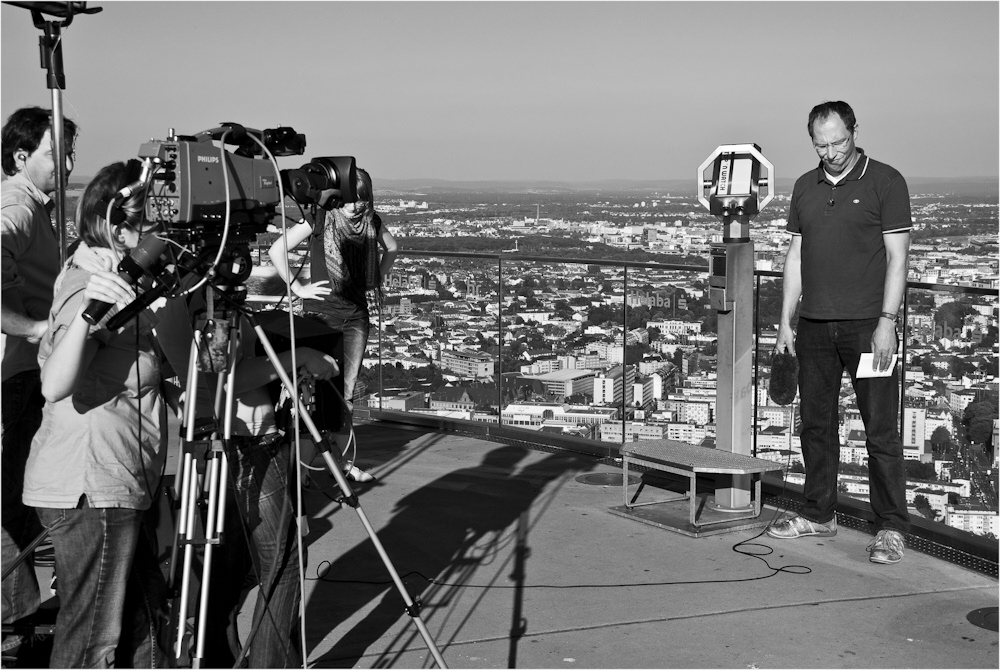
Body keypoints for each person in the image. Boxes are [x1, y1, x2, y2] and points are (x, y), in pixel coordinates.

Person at [20, 161, 171, 666]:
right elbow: (57, 383)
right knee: (93, 642)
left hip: (116, 480)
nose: (163, 237)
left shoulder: (118, 279)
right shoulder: (93, 285)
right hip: (92, 485)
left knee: (142, 626)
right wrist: (91, 312)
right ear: (118, 227)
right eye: (153, 225)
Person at [767, 101, 912, 565]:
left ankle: (890, 527)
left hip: (869, 328)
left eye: (838, 141)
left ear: (854, 131)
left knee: (880, 431)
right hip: (812, 326)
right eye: (820, 143)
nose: (830, 152)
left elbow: (898, 259)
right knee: (816, 425)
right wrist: (785, 323)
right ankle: (818, 513)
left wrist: (887, 323)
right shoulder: (804, 187)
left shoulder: (886, 182)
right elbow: (794, 258)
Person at [203, 315, 339, 668]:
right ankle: (268, 662)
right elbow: (226, 375)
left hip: (225, 435)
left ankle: (224, 657)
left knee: (228, 567)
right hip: (246, 438)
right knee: (285, 561)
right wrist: (300, 355)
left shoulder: (181, 292)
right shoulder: (208, 298)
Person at [1, 106, 77, 655]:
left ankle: (20, 616)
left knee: (19, 497)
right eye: (58, 153)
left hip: (23, 374)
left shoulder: (39, 208)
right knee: (9, 500)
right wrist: (34, 328)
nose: (69, 164)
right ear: (22, 157)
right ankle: (15, 620)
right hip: (12, 375)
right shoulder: (16, 206)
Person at [267, 168, 397, 481]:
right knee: (313, 392)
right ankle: (306, 467)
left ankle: (341, 465)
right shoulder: (319, 218)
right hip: (321, 315)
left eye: (363, 200)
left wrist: (374, 278)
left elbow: (392, 248)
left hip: (355, 317)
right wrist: (298, 289)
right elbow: (276, 250)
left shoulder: (371, 221)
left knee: (345, 394)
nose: (357, 206)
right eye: (353, 199)